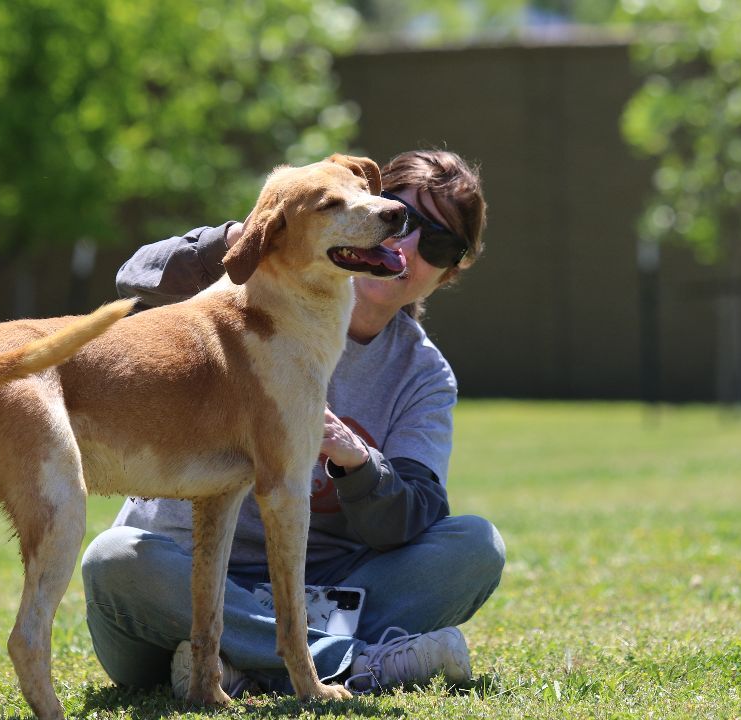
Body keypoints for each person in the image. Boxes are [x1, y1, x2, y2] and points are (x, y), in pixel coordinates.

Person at [80, 149, 506, 698]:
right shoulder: (254, 286)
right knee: (116, 560)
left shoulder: (423, 375)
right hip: (181, 578)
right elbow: (134, 278)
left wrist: (358, 463)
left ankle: (248, 663)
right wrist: (270, 226)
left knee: (474, 547)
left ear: (450, 273)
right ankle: (349, 664)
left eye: (440, 244)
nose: (406, 241)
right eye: (400, 213)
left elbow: (409, 520)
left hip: (326, 590)